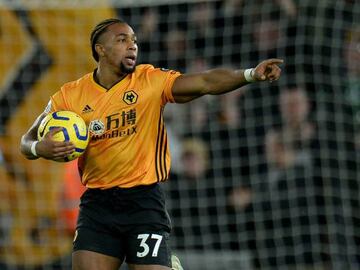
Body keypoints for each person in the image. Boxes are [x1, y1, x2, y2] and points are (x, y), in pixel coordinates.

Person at [19, 18, 283, 270]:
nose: (132, 45)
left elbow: (205, 82)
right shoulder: (70, 95)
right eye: (122, 39)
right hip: (97, 204)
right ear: (100, 49)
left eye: (133, 39)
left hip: (143, 202)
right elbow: (27, 139)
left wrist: (249, 74)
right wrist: (38, 148)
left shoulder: (149, 81)